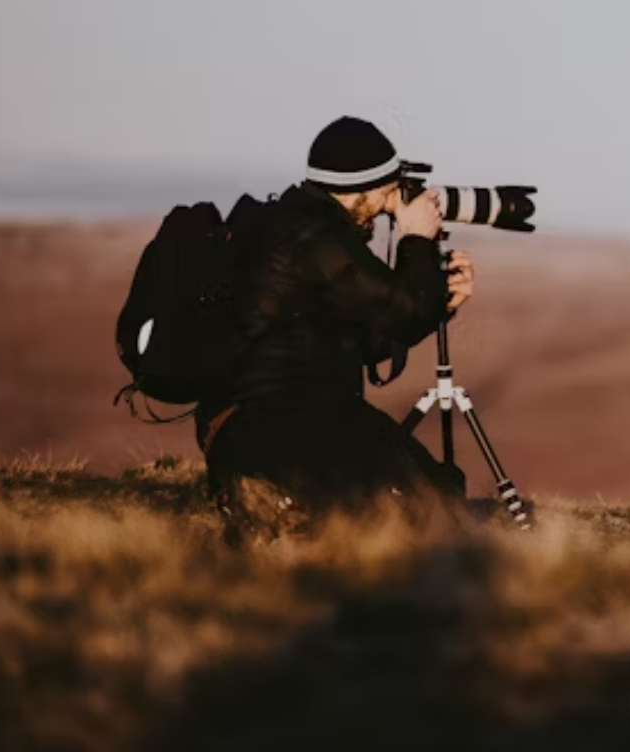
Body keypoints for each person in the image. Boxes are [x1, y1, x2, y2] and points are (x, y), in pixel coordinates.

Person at [200, 116, 475, 540]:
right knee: (417, 512)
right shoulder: (315, 236)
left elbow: (372, 339)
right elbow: (400, 312)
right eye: (388, 190)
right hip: (274, 420)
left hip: (289, 415)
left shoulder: (305, 225)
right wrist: (416, 238)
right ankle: (262, 493)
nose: (391, 202)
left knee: (436, 493)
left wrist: (443, 305)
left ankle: (272, 493)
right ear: (360, 189)